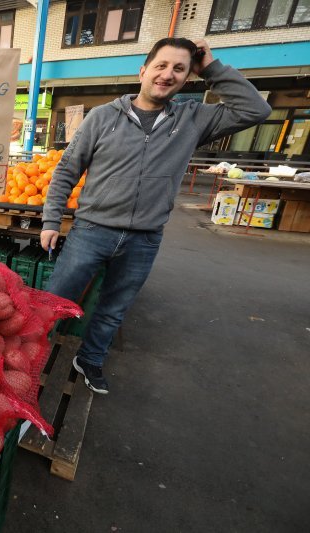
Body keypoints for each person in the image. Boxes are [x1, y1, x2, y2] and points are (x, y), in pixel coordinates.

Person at [39, 38, 270, 395]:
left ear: (188, 77)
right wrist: (52, 220)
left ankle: (90, 359)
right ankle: (30, 354)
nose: (168, 75)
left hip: (144, 238)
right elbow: (67, 170)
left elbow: (256, 110)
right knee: (55, 298)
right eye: (161, 66)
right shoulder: (102, 117)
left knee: (115, 307)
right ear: (143, 70)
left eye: (179, 68)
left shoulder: (193, 120)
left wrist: (211, 68)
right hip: (91, 230)